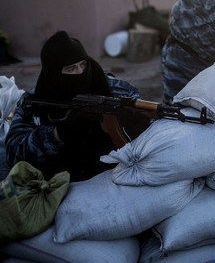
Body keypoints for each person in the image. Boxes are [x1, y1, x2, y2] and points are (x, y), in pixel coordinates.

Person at [4, 31, 142, 181]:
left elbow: (144, 116)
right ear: (53, 74)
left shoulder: (115, 90)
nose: (80, 72)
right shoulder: (34, 103)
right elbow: (13, 154)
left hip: (113, 175)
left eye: (83, 65)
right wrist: (58, 133)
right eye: (70, 69)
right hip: (61, 182)